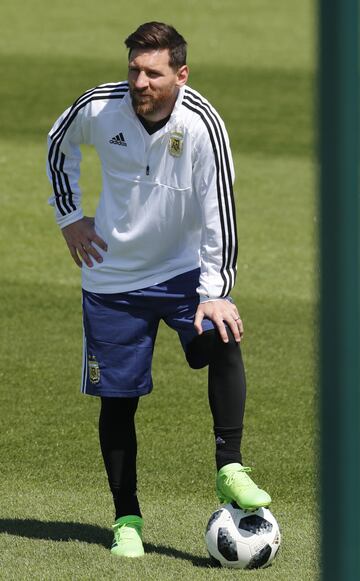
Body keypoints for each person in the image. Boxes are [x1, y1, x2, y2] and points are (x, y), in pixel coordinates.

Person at [47, 21, 271, 558]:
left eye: (153, 72)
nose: (140, 83)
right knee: (118, 400)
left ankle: (230, 467)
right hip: (113, 279)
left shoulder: (202, 125)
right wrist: (70, 216)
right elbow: (59, 145)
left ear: (181, 74)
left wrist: (215, 290)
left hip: (181, 274)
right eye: (134, 70)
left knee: (223, 337)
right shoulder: (99, 107)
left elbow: (222, 214)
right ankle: (126, 519)